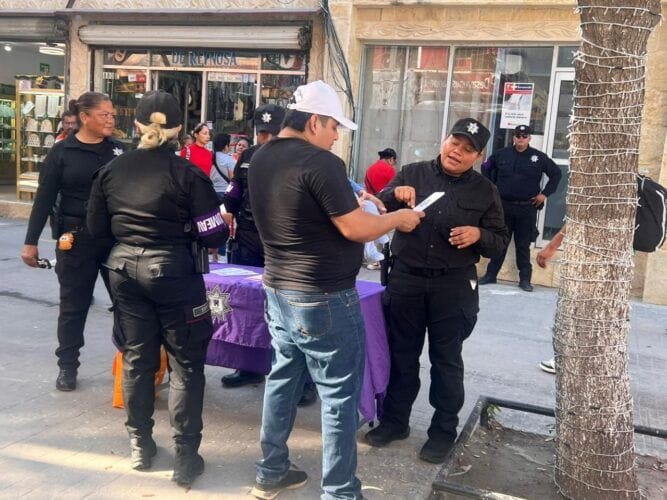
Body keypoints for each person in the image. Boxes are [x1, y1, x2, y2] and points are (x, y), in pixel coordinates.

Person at [248, 80, 424, 500]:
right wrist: (398, 219)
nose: (335, 136)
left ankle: (271, 470)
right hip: (322, 296)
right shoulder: (320, 161)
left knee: (282, 381)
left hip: (279, 289)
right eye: (334, 127)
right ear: (315, 122)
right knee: (339, 397)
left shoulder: (261, 156)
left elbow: (305, 208)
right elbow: (355, 227)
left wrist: (356, 202)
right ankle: (341, 491)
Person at [87, 91, 229, 485]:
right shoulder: (188, 174)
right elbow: (214, 235)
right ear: (180, 129)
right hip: (174, 273)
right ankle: (186, 457)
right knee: (186, 364)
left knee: (137, 358)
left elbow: (96, 229)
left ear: (136, 125)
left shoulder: (111, 170)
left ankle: (140, 447)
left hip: (124, 271)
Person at [364, 118, 509, 464]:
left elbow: (500, 241)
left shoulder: (485, 191)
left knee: (446, 361)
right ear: (445, 140)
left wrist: (479, 235)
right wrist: (394, 194)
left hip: (452, 285)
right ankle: (394, 422)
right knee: (402, 355)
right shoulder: (411, 173)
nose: (457, 152)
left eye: (468, 149)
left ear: (478, 156)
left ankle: (443, 432)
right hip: (406, 280)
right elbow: (380, 205)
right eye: (454, 143)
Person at [20, 92, 125, 392]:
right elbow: (44, 199)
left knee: (127, 303)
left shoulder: (119, 151)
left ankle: (131, 364)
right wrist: (30, 242)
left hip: (115, 240)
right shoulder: (62, 152)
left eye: (112, 114)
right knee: (73, 306)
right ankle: (67, 366)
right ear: (85, 117)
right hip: (76, 239)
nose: (110, 120)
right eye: (104, 114)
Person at [219, 104, 286, 389]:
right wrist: (226, 210)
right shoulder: (247, 157)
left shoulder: (295, 158)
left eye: (272, 134)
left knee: (286, 313)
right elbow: (234, 192)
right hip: (247, 241)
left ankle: (298, 380)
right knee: (248, 307)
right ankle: (249, 367)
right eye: (262, 134)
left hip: (283, 246)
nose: (266, 139)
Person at [478, 124, 562, 291]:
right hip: (504, 207)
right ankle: (490, 275)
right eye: (518, 136)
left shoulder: (538, 157)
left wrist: (544, 194)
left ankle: (525, 280)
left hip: (527, 208)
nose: (521, 139)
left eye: (524, 136)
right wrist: (492, 188)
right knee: (500, 242)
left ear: (529, 138)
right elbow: (485, 167)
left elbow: (556, 173)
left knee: (522, 246)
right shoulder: (502, 154)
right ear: (513, 138)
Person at [210, 132, 236, 200]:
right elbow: (232, 179)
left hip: (211, 192)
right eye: (230, 145)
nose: (231, 147)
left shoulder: (210, 157)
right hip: (224, 192)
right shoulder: (228, 159)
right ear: (225, 146)